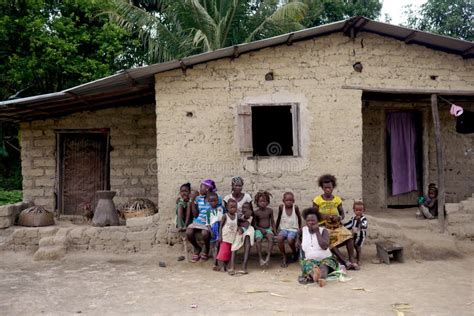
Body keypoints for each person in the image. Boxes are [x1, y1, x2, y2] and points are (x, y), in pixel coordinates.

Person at [313, 174, 359, 270]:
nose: (327, 190)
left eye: (329, 187)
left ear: (333, 187)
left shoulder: (337, 200)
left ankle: (352, 258)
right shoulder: (317, 200)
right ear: (322, 188)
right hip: (324, 227)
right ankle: (344, 261)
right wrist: (323, 216)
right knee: (329, 242)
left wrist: (338, 218)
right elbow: (314, 214)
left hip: (336, 225)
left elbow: (342, 214)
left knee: (349, 236)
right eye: (325, 188)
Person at [298, 207, 340, 287]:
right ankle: (315, 275)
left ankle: (322, 278)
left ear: (318, 221)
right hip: (309, 260)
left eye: (313, 220)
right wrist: (297, 241)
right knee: (309, 267)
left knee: (324, 266)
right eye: (308, 221)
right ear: (306, 222)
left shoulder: (323, 231)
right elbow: (297, 233)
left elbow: (324, 246)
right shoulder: (303, 230)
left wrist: (317, 232)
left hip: (325, 258)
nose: (311, 222)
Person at [186, 179, 222, 263]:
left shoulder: (216, 198)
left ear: (207, 188)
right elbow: (195, 215)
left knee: (205, 233)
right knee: (189, 232)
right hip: (198, 221)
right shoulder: (198, 198)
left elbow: (218, 211)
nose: (199, 189)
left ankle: (206, 248)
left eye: (201, 187)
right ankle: (197, 248)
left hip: (209, 221)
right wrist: (192, 201)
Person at [275, 192, 302, 267]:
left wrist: (299, 229)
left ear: (293, 201)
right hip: (284, 229)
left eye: (291, 200)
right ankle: (284, 257)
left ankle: (294, 253)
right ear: (283, 201)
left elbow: (299, 218)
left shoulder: (295, 207)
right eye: (287, 200)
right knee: (279, 238)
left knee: (290, 240)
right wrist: (275, 229)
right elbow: (278, 218)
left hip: (293, 229)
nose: (289, 202)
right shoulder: (281, 207)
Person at [230, 202, 254, 274]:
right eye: (243, 208)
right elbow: (238, 222)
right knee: (235, 245)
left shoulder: (249, 215)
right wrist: (239, 226)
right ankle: (232, 266)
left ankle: (244, 266)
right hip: (239, 229)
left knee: (247, 240)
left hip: (248, 229)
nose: (244, 209)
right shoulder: (238, 215)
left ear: (250, 210)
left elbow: (246, 223)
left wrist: (241, 225)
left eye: (246, 208)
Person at [253, 190, 276, 267]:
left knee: (271, 238)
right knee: (258, 240)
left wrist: (274, 231)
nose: (263, 203)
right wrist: (260, 229)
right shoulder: (256, 212)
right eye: (260, 201)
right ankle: (260, 258)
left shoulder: (270, 211)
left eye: (265, 201)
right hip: (259, 229)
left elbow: (272, 221)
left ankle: (268, 257)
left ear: (267, 202)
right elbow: (254, 225)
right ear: (257, 202)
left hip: (268, 229)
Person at [216, 199, 238, 274]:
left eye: (235, 207)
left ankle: (225, 266)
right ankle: (221, 266)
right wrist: (220, 236)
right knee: (223, 253)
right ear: (227, 208)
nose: (233, 209)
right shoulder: (225, 216)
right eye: (231, 207)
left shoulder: (236, 216)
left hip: (232, 238)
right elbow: (221, 226)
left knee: (228, 254)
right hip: (225, 238)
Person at [343, 201, 368, 266]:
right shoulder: (353, 218)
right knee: (353, 246)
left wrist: (359, 220)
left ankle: (359, 260)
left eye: (360, 210)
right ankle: (353, 257)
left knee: (358, 247)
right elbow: (349, 225)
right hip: (354, 235)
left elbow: (364, 226)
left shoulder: (364, 219)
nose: (358, 212)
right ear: (354, 210)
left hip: (361, 236)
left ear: (364, 210)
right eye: (357, 210)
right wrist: (342, 225)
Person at [206, 192, 225, 269]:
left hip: (220, 227)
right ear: (208, 201)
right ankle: (215, 262)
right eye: (211, 201)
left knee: (219, 246)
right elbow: (208, 223)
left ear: (217, 201)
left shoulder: (221, 208)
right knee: (213, 246)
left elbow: (224, 218)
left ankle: (218, 262)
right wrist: (210, 231)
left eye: (215, 201)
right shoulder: (208, 211)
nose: (213, 202)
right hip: (213, 229)